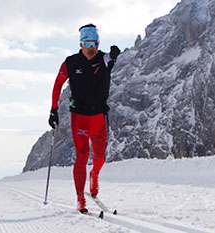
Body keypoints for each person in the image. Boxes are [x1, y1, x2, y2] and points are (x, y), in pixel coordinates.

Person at [48, 23, 120, 214]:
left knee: (99, 157)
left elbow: (111, 59)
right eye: (88, 43)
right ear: (81, 43)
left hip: (98, 117)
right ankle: (80, 198)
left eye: (95, 43)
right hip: (79, 117)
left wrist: (114, 55)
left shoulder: (104, 59)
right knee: (81, 156)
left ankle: (94, 175)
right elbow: (57, 85)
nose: (91, 47)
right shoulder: (70, 63)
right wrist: (54, 110)